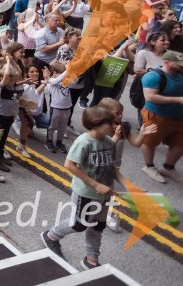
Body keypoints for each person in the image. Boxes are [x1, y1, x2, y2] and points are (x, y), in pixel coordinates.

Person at [41, 107, 123, 270]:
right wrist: (95, 184)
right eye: (110, 123)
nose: (115, 126)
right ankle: (51, 236)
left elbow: (112, 167)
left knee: (98, 225)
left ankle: (91, 259)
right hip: (85, 193)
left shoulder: (108, 142)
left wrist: (131, 187)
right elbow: (69, 164)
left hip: (104, 194)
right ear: (96, 124)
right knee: (78, 224)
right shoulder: (84, 142)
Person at [97, 97, 158, 233]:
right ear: (105, 114)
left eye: (121, 113)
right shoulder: (101, 130)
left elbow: (135, 143)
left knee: (109, 193)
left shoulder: (123, 126)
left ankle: (104, 214)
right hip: (102, 167)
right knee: (107, 193)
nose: (121, 116)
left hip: (115, 166)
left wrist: (142, 134)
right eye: (117, 113)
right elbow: (103, 149)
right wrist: (115, 137)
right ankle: (105, 215)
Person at [139, 50, 183, 183]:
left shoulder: (180, 74)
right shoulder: (153, 76)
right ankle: (149, 166)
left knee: (180, 143)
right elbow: (150, 97)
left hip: (178, 116)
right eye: (179, 64)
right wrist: (177, 100)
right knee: (149, 141)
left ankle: (168, 168)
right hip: (156, 115)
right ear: (166, 62)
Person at [45, 62, 72, 154]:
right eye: (61, 73)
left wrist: (72, 69)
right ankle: (49, 141)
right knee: (52, 126)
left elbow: (75, 80)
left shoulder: (67, 80)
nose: (63, 75)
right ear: (54, 73)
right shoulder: (52, 81)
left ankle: (59, 142)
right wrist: (68, 70)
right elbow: (56, 81)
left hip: (67, 108)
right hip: (56, 107)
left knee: (63, 127)